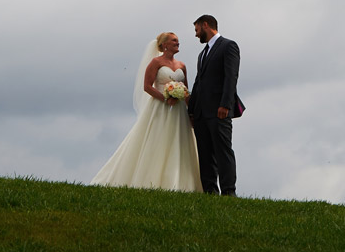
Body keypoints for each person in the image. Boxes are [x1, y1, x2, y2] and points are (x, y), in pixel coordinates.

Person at [90, 31, 201, 191]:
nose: (178, 43)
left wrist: (190, 110)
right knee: (158, 140)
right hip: (160, 107)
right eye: (174, 41)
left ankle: (180, 182)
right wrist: (165, 97)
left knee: (179, 142)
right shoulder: (156, 62)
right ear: (164, 45)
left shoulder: (182, 66)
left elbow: (186, 90)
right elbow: (147, 86)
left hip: (179, 111)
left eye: (178, 41)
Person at [188, 14, 243, 196]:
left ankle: (229, 192)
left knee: (223, 151)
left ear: (206, 25)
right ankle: (210, 191)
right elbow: (198, 82)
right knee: (205, 154)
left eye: (197, 30)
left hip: (219, 110)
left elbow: (231, 77)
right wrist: (191, 112)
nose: (196, 35)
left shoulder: (228, 46)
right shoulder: (202, 54)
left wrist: (225, 105)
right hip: (201, 113)